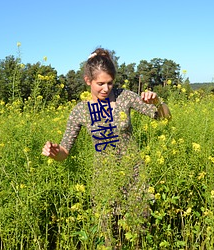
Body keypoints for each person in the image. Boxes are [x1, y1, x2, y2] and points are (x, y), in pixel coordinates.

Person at [42, 47, 171, 247]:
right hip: (104, 181)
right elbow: (65, 151)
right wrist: (54, 152)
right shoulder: (80, 111)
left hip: (135, 176)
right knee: (110, 238)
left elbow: (164, 118)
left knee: (139, 236)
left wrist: (158, 102)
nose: (106, 88)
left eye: (110, 83)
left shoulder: (124, 97)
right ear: (88, 81)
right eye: (100, 83)